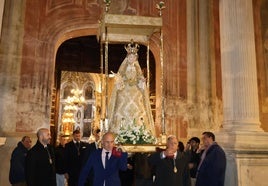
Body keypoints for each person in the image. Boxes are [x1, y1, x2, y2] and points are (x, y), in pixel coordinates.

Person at [107, 41, 155, 136]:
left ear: (135, 59)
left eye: (133, 57)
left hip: (135, 91)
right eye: (130, 57)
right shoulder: (123, 69)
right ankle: (119, 129)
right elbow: (120, 79)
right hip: (125, 91)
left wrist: (141, 82)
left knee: (138, 105)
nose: (131, 58)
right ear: (127, 58)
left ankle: (139, 129)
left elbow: (140, 80)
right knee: (122, 105)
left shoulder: (137, 70)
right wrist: (119, 80)